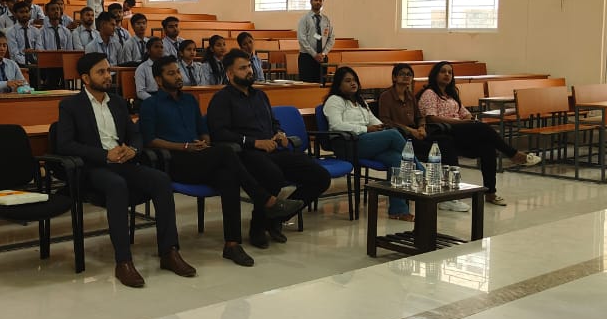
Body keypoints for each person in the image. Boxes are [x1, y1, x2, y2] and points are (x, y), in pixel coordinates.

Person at [140, 55, 305, 267]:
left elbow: (204, 131)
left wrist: (204, 142)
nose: (178, 76)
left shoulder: (190, 100)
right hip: (173, 161)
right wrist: (185, 147)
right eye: (171, 73)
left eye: (178, 71)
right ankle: (266, 200)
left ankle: (232, 244)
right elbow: (150, 140)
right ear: (158, 80)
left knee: (229, 176)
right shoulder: (150, 104)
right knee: (227, 152)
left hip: (199, 156)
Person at [56, 52, 195, 288]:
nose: (107, 76)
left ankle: (169, 252)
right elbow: (65, 144)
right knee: (117, 185)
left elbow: (136, 134)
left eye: (108, 70)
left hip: (123, 162)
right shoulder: (70, 105)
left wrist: (133, 149)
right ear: (85, 78)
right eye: (101, 72)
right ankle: (123, 262)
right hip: (93, 168)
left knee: (161, 180)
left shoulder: (118, 102)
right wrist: (104, 155)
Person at [208, 50, 331, 247]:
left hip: (272, 150)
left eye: (249, 66)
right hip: (245, 153)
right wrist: (254, 142)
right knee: (272, 175)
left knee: (320, 177)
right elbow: (220, 133)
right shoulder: (222, 99)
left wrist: (280, 133)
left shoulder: (260, 95)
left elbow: (274, 123)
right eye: (242, 68)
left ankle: (275, 219)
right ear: (230, 74)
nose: (249, 71)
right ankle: (258, 227)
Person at [418, 61, 540, 209]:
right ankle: (513, 154)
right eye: (443, 71)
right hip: (441, 131)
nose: (447, 75)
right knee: (483, 128)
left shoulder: (451, 94)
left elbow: (465, 113)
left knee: (487, 147)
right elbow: (432, 118)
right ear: (435, 74)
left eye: (450, 72)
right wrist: (460, 122)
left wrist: (468, 119)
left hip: (458, 131)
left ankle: (490, 192)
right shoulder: (430, 93)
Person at [376, 63, 457, 221]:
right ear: (394, 77)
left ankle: (448, 191)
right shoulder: (386, 96)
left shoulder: (410, 96)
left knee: (446, 142)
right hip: (400, 136)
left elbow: (420, 117)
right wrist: (410, 130)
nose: (406, 77)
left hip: (415, 134)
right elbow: (386, 121)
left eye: (409, 74)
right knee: (419, 150)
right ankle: (429, 179)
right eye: (402, 74)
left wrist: (421, 127)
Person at [323, 66, 408, 210]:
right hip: (348, 145)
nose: (353, 83)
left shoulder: (360, 100)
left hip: (367, 143)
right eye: (348, 81)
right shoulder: (334, 100)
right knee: (393, 134)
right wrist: (366, 129)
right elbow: (336, 125)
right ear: (338, 85)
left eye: (354, 80)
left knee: (396, 158)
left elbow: (373, 120)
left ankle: (398, 209)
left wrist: (381, 127)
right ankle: (423, 174)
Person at [296, 0, 332, 83]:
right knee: (307, 85)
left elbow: (331, 38)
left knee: (321, 84)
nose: (318, 2)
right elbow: (302, 39)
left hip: (322, 58)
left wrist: (323, 53)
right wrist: (314, 54)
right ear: (311, 1)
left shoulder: (326, 19)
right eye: (316, 0)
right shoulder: (304, 19)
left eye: (320, 0)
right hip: (307, 57)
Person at [4, 1, 42, 66]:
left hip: (37, 63)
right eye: (21, 12)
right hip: (19, 65)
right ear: (15, 14)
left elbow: (39, 50)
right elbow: (14, 55)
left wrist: (36, 61)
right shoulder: (11, 32)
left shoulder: (36, 31)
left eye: (27, 12)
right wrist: (29, 64)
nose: (25, 14)